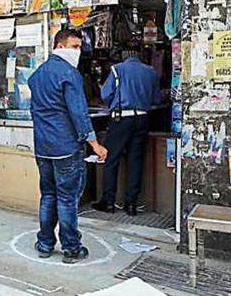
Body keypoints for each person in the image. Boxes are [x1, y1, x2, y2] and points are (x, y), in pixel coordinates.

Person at [28, 29, 108, 264]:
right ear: (59, 45)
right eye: (74, 46)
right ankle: (71, 247)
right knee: (66, 199)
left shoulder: (38, 74)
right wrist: (95, 144)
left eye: (79, 47)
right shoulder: (70, 75)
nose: (78, 51)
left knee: (48, 195)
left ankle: (44, 243)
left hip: (43, 146)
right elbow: (79, 114)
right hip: (65, 146)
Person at [92, 39, 161, 216]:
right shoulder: (151, 72)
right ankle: (131, 204)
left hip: (122, 119)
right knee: (135, 161)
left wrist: (113, 102)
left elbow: (106, 94)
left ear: (123, 57)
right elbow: (156, 99)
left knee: (111, 159)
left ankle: (108, 202)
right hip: (143, 119)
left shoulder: (117, 70)